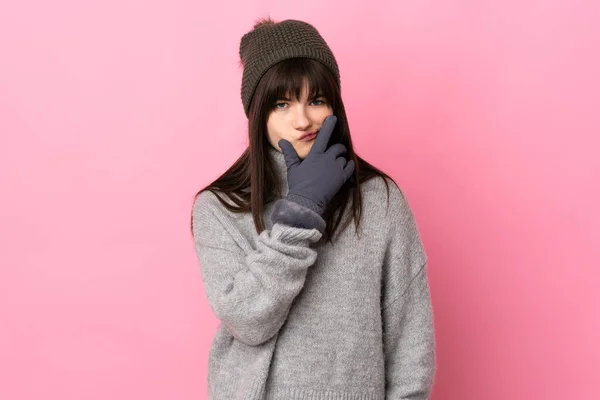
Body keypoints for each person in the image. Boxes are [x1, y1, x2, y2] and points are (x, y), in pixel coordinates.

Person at [191, 17, 435, 400]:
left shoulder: (380, 200)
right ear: (257, 114)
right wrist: (300, 213)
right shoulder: (220, 206)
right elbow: (248, 320)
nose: (302, 120)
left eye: (316, 100)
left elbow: (409, 338)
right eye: (282, 103)